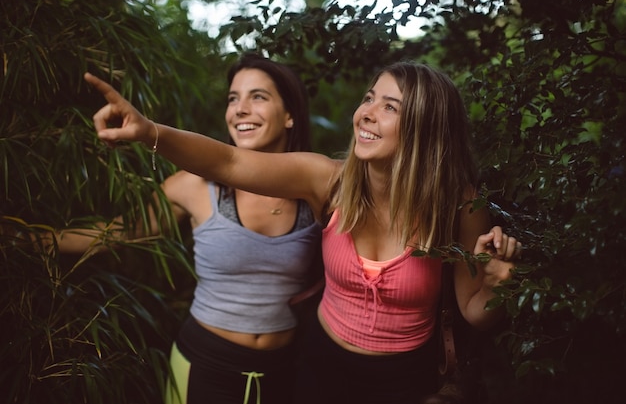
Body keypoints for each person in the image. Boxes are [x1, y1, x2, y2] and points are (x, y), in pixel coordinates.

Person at [83, 60, 522, 404]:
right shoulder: (331, 181)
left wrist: (498, 283)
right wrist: (149, 131)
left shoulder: (459, 204)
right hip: (318, 368)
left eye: (390, 107)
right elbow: (228, 163)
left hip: (403, 382)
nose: (367, 114)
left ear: (425, 125)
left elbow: (474, 312)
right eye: (369, 98)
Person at [58, 54, 323, 404]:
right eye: (233, 98)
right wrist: (31, 241)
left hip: (285, 370)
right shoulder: (194, 186)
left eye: (258, 96)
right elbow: (117, 233)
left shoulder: (316, 190)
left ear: (290, 115)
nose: (240, 109)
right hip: (205, 366)